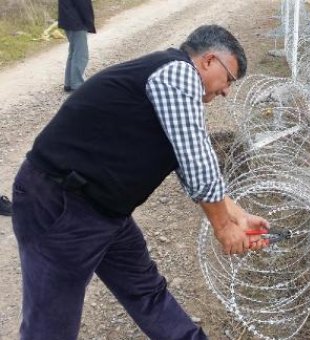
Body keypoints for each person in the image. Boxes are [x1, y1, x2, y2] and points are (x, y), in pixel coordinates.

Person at [11, 25, 270, 339]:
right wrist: (224, 228)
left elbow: (188, 163)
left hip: (103, 211)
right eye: (229, 78)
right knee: (49, 328)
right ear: (208, 61)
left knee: (147, 292)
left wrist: (236, 215)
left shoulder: (168, 83)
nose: (227, 90)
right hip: (61, 204)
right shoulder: (178, 73)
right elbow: (198, 160)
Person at [58, 0, 96, 92]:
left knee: (73, 52)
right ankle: (77, 84)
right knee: (81, 55)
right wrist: (89, 23)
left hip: (67, 20)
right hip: (77, 22)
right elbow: (83, 5)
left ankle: (69, 83)